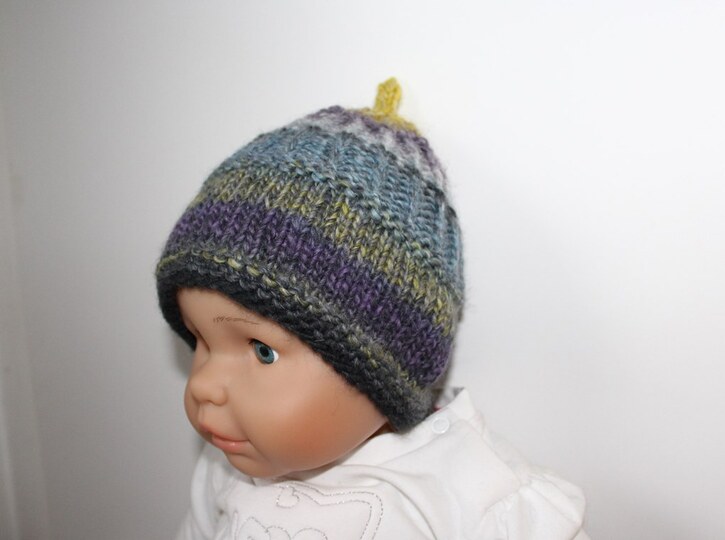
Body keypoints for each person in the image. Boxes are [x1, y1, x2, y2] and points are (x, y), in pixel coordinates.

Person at [155, 78, 590, 539]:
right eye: (199, 341)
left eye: (263, 351)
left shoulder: (470, 497)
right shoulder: (225, 468)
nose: (202, 385)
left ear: (382, 372)